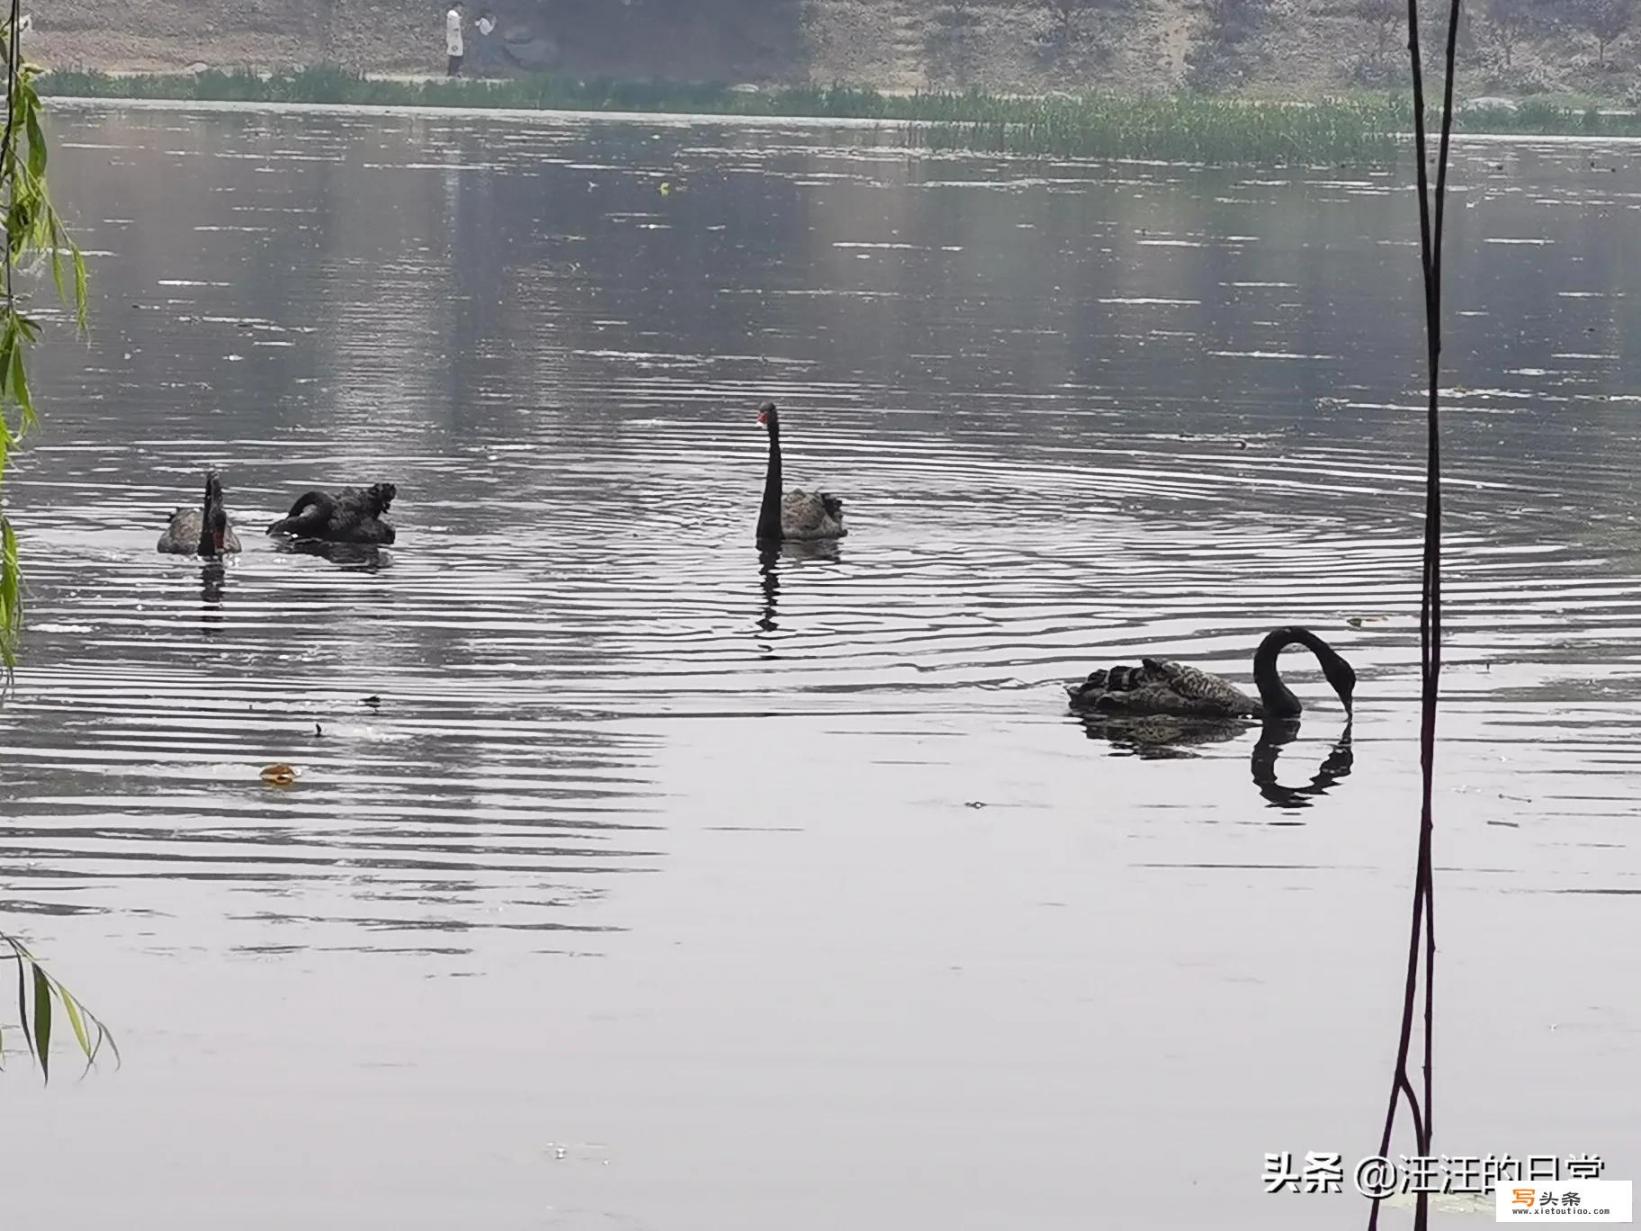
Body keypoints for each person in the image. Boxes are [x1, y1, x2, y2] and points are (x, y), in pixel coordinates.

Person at [445, 1, 465, 77]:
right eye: (460, 7)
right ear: (456, 6)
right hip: (455, 38)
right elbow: (455, 27)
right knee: (456, 55)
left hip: (453, 37)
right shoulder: (454, 15)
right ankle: (454, 72)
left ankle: (451, 72)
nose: (461, 9)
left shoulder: (451, 14)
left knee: (454, 55)